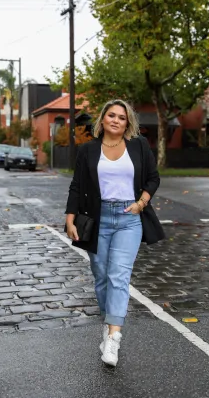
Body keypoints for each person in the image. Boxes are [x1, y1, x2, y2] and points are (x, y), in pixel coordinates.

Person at [65, 99, 164, 367]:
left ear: (127, 122)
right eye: (111, 115)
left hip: (129, 218)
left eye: (122, 117)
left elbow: (153, 178)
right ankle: (108, 323)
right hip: (98, 219)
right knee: (101, 277)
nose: (116, 120)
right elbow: (76, 186)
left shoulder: (139, 146)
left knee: (119, 276)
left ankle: (113, 338)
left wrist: (141, 203)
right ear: (103, 119)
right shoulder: (88, 150)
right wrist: (70, 219)